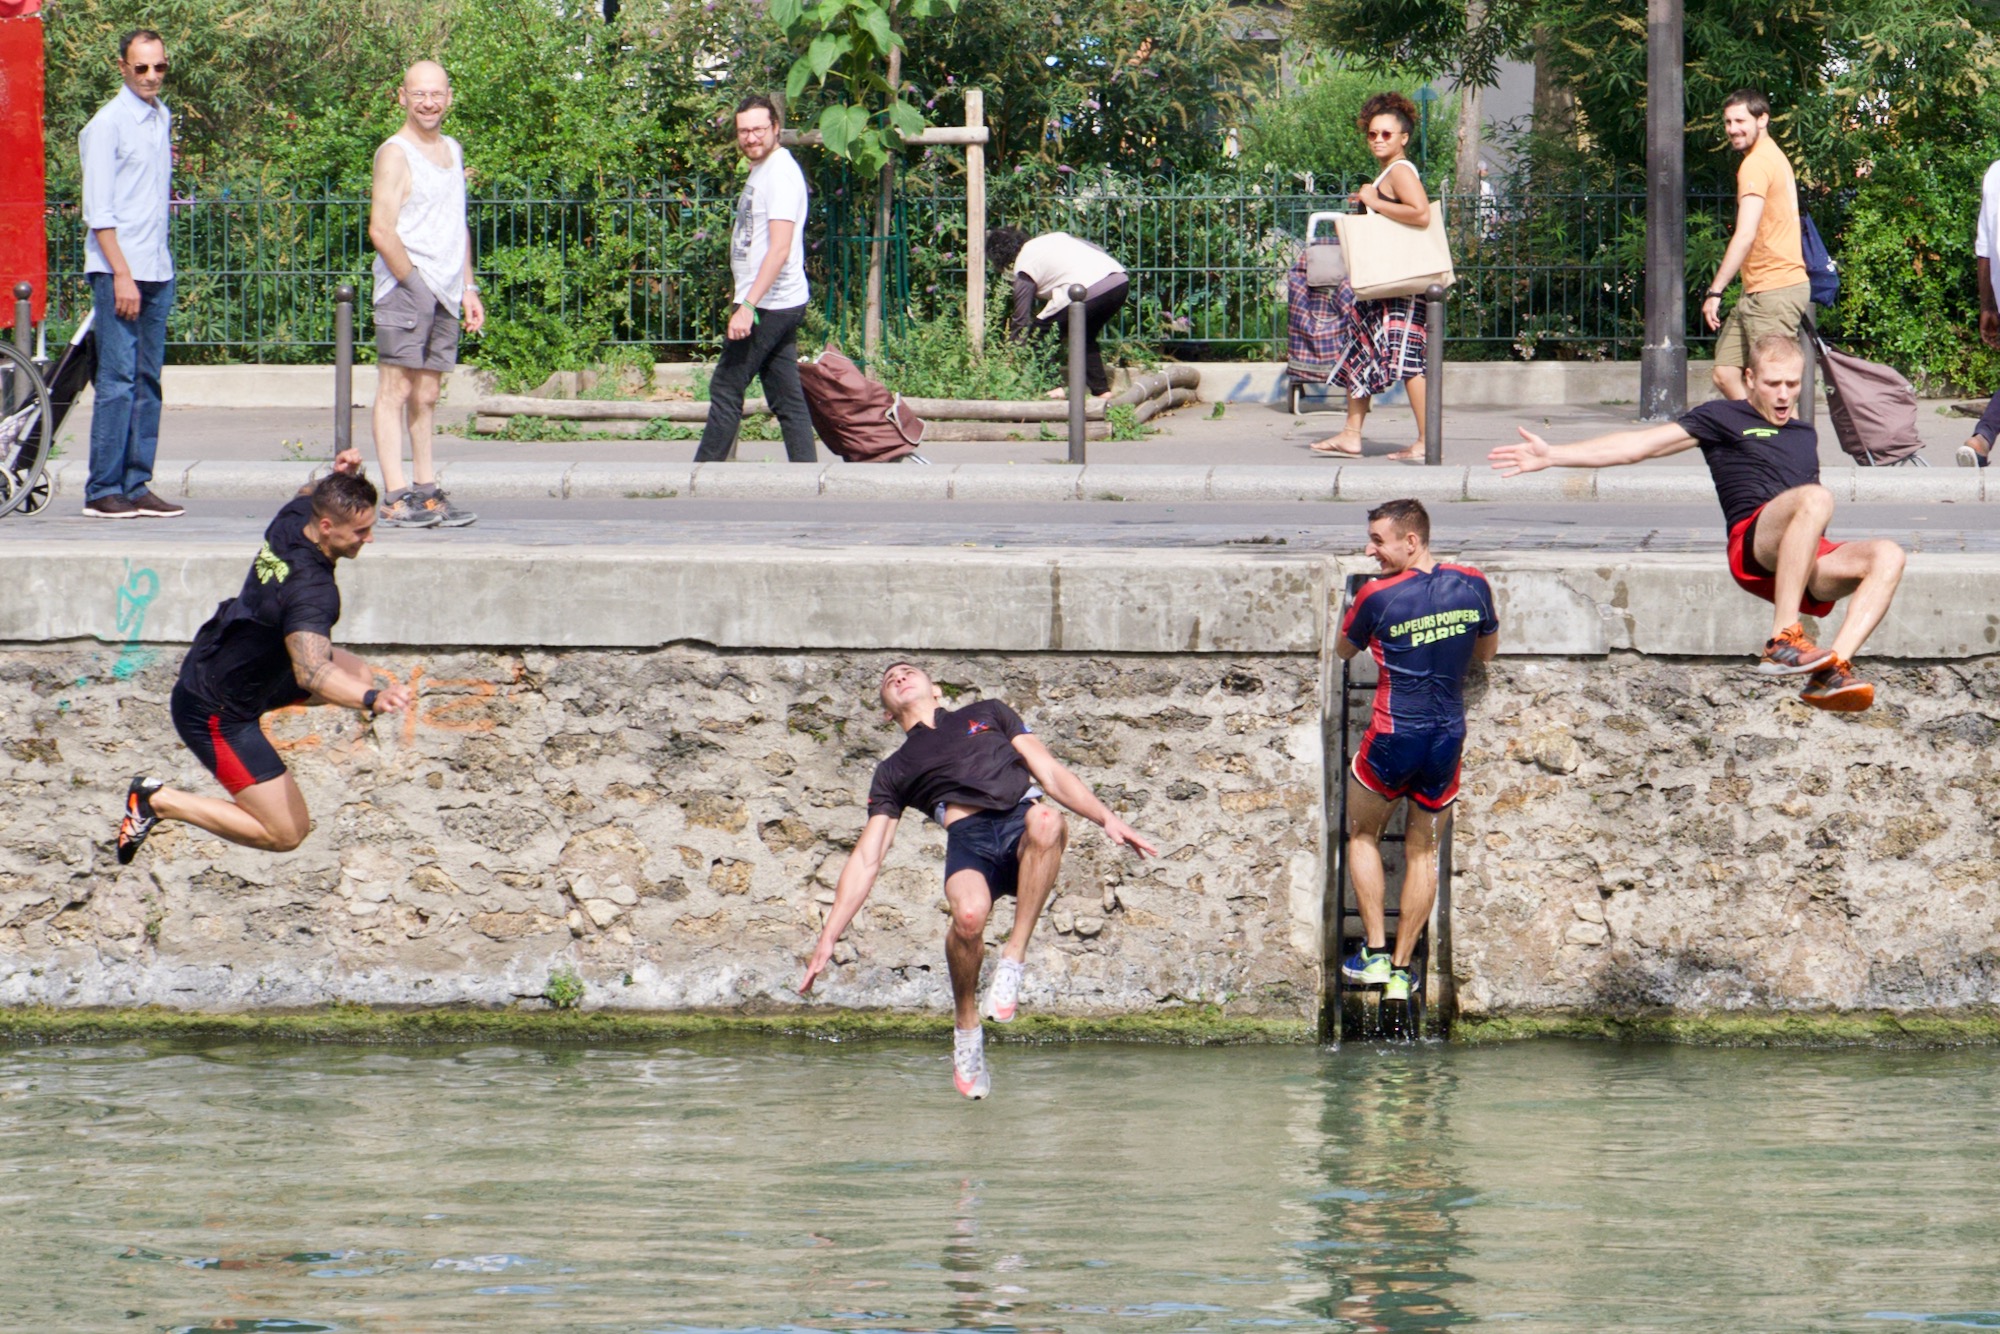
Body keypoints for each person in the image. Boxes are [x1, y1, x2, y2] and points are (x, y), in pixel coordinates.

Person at [1489, 333, 1906, 712]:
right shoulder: (1722, 417)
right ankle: (1782, 638)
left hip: (1804, 556)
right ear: (1749, 378)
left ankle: (1830, 674)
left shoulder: (1803, 432)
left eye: (1792, 385)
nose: (1783, 395)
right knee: (1816, 497)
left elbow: (1810, 522)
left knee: (1888, 555)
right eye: (1772, 383)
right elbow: (1639, 446)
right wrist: (1554, 455)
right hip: (1754, 543)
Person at [800, 663, 1158, 1099]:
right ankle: (967, 1029)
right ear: (886, 714)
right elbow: (868, 856)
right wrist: (829, 935)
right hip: (969, 841)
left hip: (1020, 823)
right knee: (967, 918)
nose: (898, 676)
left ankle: (1013, 959)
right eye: (889, 678)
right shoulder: (893, 769)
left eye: (908, 670)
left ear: (935, 688)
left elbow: (1050, 772)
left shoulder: (989, 713)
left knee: (1047, 819)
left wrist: (1107, 818)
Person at [115, 452, 413, 864]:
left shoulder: (294, 519)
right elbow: (311, 672)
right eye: (361, 531)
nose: (369, 539)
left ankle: (279, 693)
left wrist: (338, 476)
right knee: (287, 832)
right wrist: (370, 699)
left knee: (357, 672)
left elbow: (308, 492)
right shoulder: (313, 593)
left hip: (222, 656)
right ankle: (157, 802)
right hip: (215, 713)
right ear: (327, 527)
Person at [1336, 500, 1498, 1004]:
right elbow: (1486, 652)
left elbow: (1343, 651)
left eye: (1378, 541)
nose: (1370, 550)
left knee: (1362, 834)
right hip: (1446, 738)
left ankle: (1377, 955)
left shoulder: (1376, 595)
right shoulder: (1473, 582)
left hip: (1391, 735)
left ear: (1412, 541)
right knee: (1423, 849)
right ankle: (1405, 973)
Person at [368, 60, 484, 528]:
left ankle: (427, 491)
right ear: (402, 97)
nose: (429, 102)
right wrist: (415, 284)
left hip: (446, 290)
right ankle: (396, 496)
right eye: (419, 94)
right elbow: (381, 229)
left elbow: (456, 226)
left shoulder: (452, 150)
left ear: (449, 97)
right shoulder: (394, 153)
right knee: (395, 388)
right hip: (405, 287)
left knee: (429, 392)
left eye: (436, 94)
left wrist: (468, 286)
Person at [78, 28, 183, 520]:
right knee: (117, 379)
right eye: (141, 67)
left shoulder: (160, 117)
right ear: (121, 66)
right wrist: (122, 274)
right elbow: (99, 212)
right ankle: (103, 488)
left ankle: (136, 484)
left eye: (159, 67)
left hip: (156, 266)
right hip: (119, 268)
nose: (151, 76)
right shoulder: (108, 124)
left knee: (148, 380)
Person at [1310, 91, 1435, 463]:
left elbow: (1422, 213)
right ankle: (1351, 434)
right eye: (1372, 134)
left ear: (1404, 138)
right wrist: (1368, 201)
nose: (1378, 140)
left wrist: (1374, 200)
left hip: (1402, 283)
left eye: (1386, 134)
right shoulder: (1388, 173)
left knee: (1409, 361)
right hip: (1385, 283)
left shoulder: (1400, 170)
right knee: (1361, 351)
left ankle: (1428, 441)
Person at [694, 93, 817, 464]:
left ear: (776, 128)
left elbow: (779, 249)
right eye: (743, 131)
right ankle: (807, 478)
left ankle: (701, 479)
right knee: (786, 398)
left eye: (759, 129)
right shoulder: (765, 169)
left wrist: (748, 306)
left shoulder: (780, 173)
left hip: (770, 302)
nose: (750, 138)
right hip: (770, 299)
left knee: (727, 386)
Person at [1702, 89, 1810, 402]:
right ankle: (1759, 437)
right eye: (1727, 122)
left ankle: (1777, 444)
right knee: (1725, 372)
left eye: (1740, 120)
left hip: (1775, 290)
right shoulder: (1773, 156)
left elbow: (1745, 233)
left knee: (1777, 386)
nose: (1732, 128)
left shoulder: (1757, 164)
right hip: (1759, 290)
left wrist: (1715, 291)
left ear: (1762, 119)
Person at [985, 227, 1130, 398]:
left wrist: (1014, 348)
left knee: (1039, 335)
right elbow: (1095, 250)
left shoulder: (1023, 265)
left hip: (1087, 289)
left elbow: (1021, 318)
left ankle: (1053, 388)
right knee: (1084, 337)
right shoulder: (1053, 238)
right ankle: (1102, 393)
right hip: (1118, 280)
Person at [1958, 152, 2000, 467]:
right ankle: (1983, 437)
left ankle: (1983, 438)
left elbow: (1984, 248)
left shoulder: (1995, 174)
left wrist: (1988, 304)